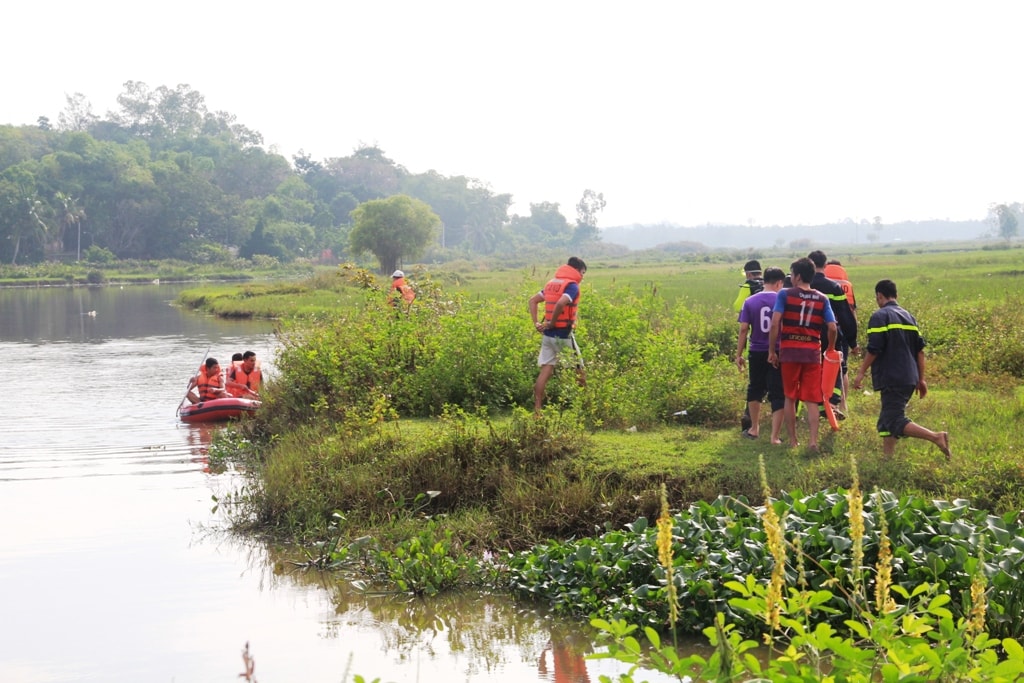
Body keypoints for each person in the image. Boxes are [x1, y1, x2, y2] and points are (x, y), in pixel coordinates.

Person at [852, 279, 951, 459]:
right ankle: (887, 458)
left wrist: (860, 373)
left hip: (892, 376)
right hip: (909, 376)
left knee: (894, 419)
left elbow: (874, 349)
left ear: (879, 296)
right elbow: (920, 352)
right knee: (886, 420)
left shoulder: (879, 317)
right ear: (896, 296)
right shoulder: (909, 317)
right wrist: (921, 379)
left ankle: (936, 437)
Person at [768, 258, 838, 451]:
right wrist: (829, 347)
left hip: (789, 351)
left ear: (797, 276)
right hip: (812, 353)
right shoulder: (823, 298)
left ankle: (793, 440)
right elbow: (832, 327)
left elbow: (775, 324)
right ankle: (813, 442)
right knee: (812, 398)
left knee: (790, 397)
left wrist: (772, 350)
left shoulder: (784, 294)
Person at [528, 256, 587, 414]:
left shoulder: (551, 284)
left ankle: (537, 410)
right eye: (583, 272)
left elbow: (532, 301)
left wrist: (537, 324)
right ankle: (585, 408)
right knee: (579, 370)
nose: (583, 276)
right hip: (563, 335)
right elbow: (561, 303)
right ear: (577, 270)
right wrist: (553, 322)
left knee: (546, 370)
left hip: (547, 336)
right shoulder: (571, 286)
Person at [736, 267, 786, 443]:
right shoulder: (783, 300)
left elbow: (743, 329)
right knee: (777, 392)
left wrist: (738, 354)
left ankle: (754, 428)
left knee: (755, 388)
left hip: (756, 350)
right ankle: (775, 436)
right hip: (778, 351)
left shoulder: (749, 301)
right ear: (779, 283)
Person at [808, 250, 859, 416]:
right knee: (835, 370)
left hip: (807, 336)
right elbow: (845, 316)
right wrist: (852, 342)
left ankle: (816, 405)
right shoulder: (833, 287)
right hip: (830, 334)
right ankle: (832, 404)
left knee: (811, 371)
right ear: (825, 265)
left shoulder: (803, 285)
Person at [734, 259, 764, 431]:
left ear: (748, 273)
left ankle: (750, 417)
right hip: (775, 339)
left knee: (755, 382)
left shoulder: (748, 286)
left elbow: (738, 306)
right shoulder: (771, 284)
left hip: (755, 338)